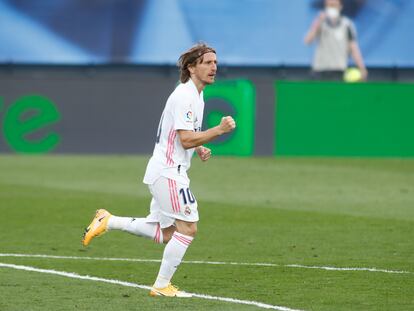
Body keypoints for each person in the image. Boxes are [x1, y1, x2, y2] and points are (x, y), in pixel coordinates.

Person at [81, 43, 236, 297]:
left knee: (166, 233)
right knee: (188, 228)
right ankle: (162, 285)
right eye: (207, 62)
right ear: (191, 67)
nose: (214, 67)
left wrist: (199, 149)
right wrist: (218, 131)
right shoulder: (185, 94)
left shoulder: (196, 95)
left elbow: (185, 134)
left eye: (215, 63)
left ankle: (108, 220)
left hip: (165, 170)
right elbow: (185, 139)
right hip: (168, 172)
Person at [304, 0, 368, 81]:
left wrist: (362, 68)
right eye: (329, 5)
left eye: (334, 5)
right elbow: (308, 41)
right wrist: (318, 22)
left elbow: (353, 48)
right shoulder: (320, 23)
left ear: (340, 7)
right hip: (319, 71)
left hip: (339, 71)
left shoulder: (347, 25)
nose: (331, 8)